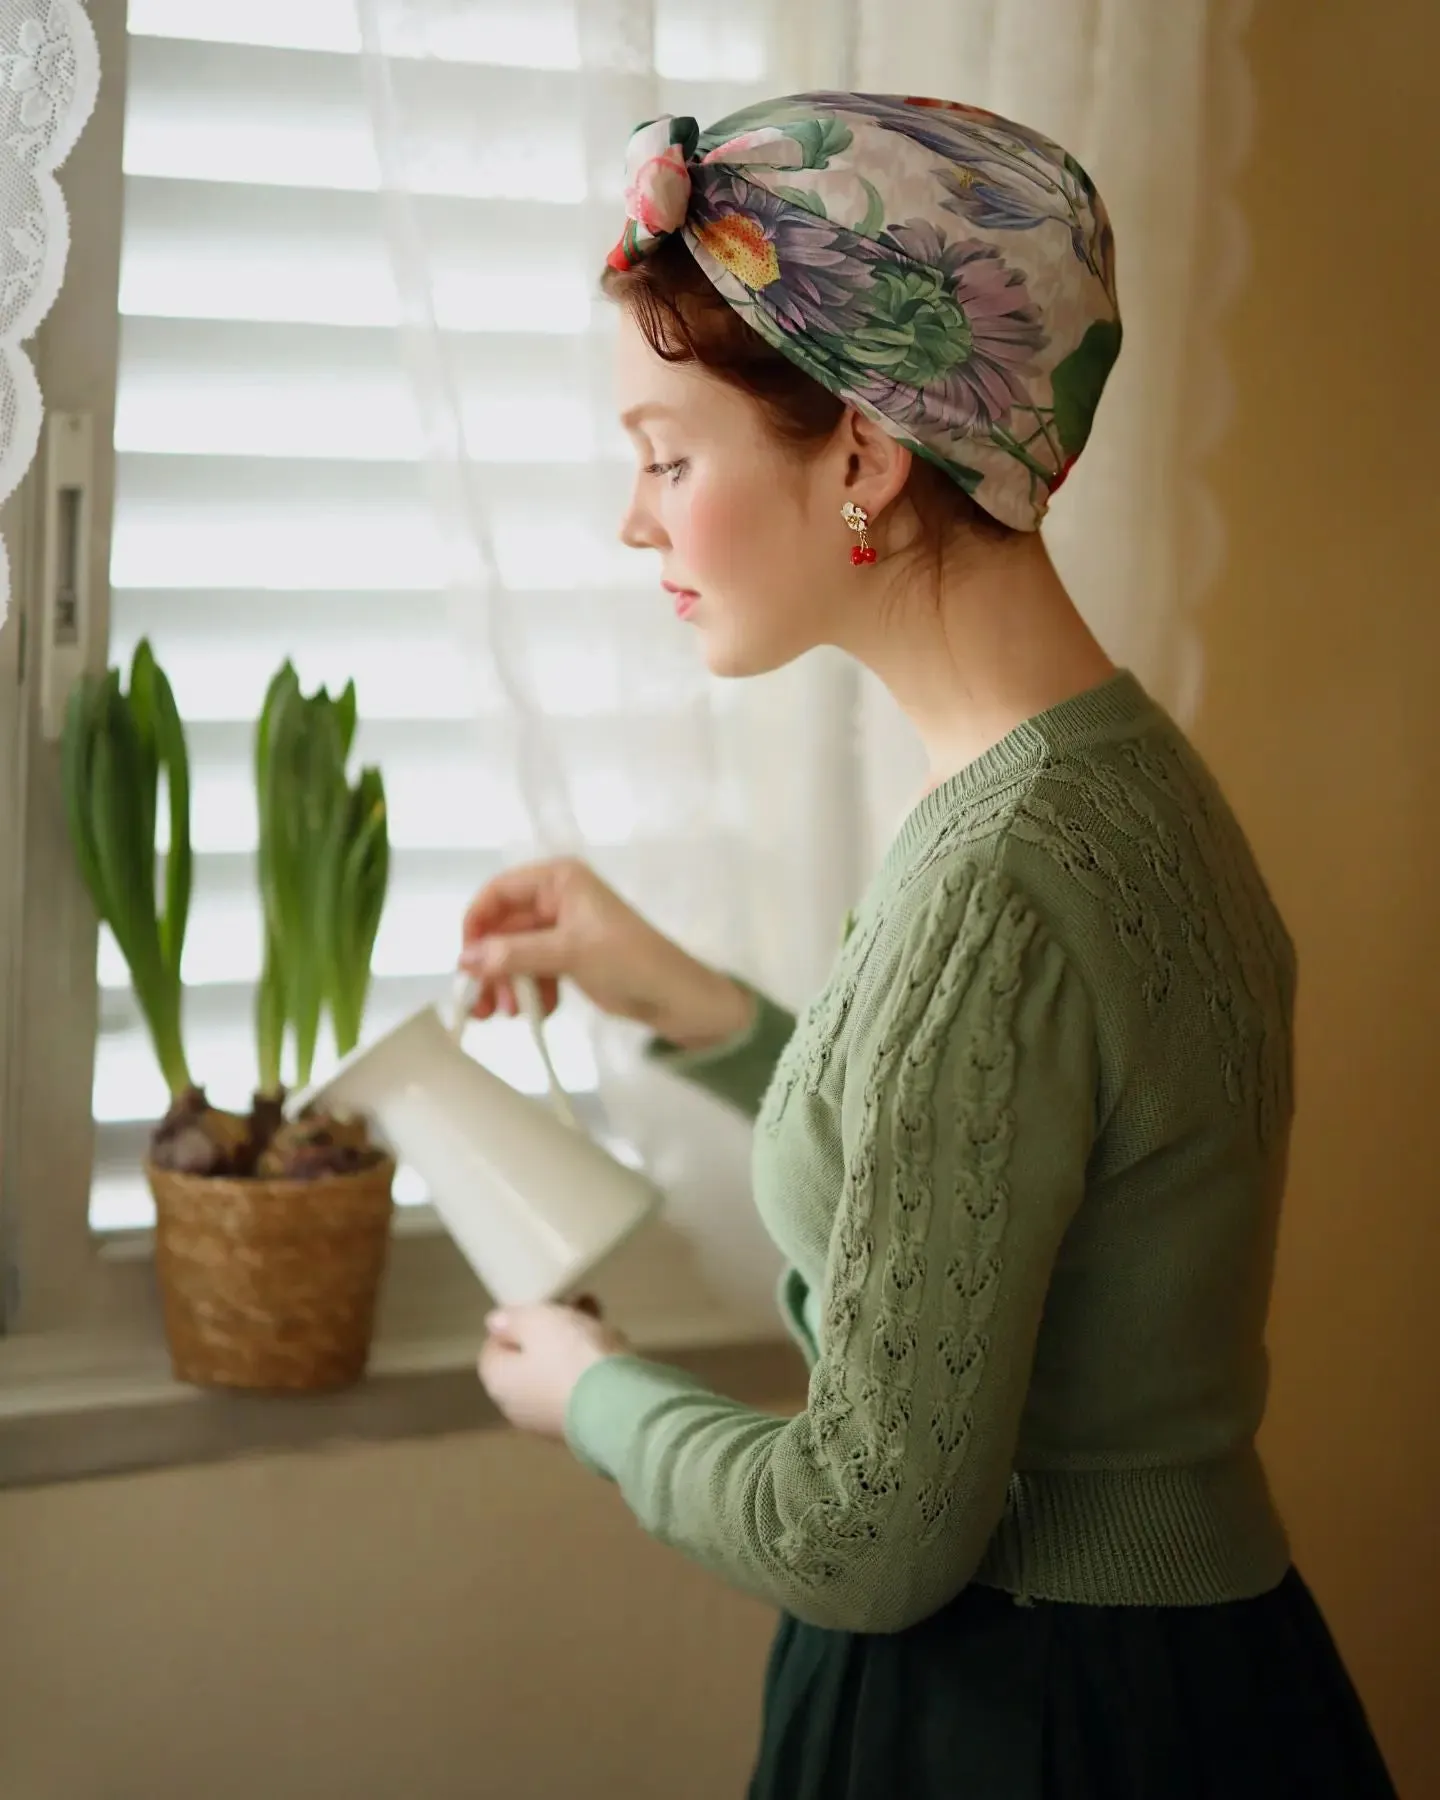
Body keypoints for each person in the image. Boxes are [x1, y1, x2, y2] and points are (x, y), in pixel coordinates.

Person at [459, 95, 1396, 1798]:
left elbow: (863, 1531)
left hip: (1014, 1717)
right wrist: (678, 993)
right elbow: (996, 1152)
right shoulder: (1116, 781)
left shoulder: (999, 884)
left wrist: (597, 1396)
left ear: (868, 458)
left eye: (669, 456)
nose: (636, 519)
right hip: (1212, 1680)